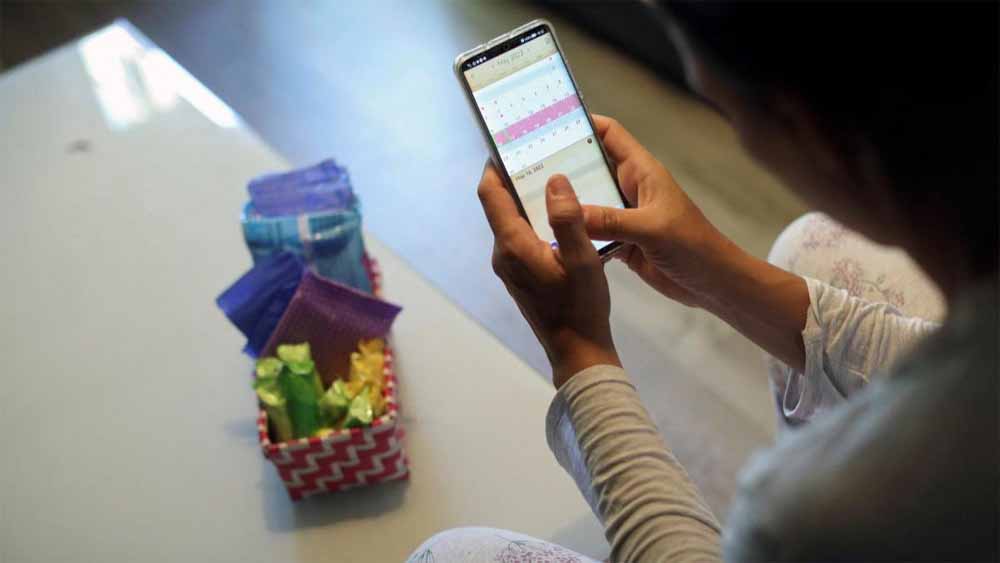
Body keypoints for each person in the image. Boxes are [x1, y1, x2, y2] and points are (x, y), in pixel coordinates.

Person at [409, 2, 997, 561]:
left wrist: (577, 348)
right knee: (811, 248)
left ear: (807, 129)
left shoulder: (817, 521)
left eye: (728, 110)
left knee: (448, 555)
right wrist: (714, 268)